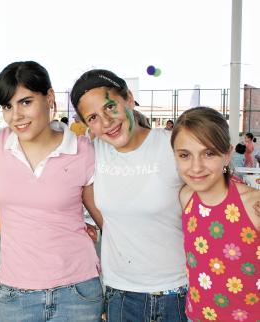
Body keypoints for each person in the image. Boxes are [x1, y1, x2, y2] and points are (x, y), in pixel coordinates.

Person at [71, 69, 187, 322]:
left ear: (129, 99)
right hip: (121, 294)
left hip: (179, 291)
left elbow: (214, 186)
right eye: (93, 117)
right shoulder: (90, 155)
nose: (106, 121)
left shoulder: (172, 145)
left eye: (110, 107)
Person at [0, 61, 103, 321]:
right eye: (7, 106)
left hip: (77, 292)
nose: (16, 115)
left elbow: (103, 216)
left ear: (49, 98)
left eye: (26, 102)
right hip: (14, 294)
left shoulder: (82, 149)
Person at [171, 107, 260, 322]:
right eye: (184, 155)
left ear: (227, 154)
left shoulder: (253, 204)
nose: (196, 167)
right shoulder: (186, 197)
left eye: (208, 153)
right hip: (197, 316)